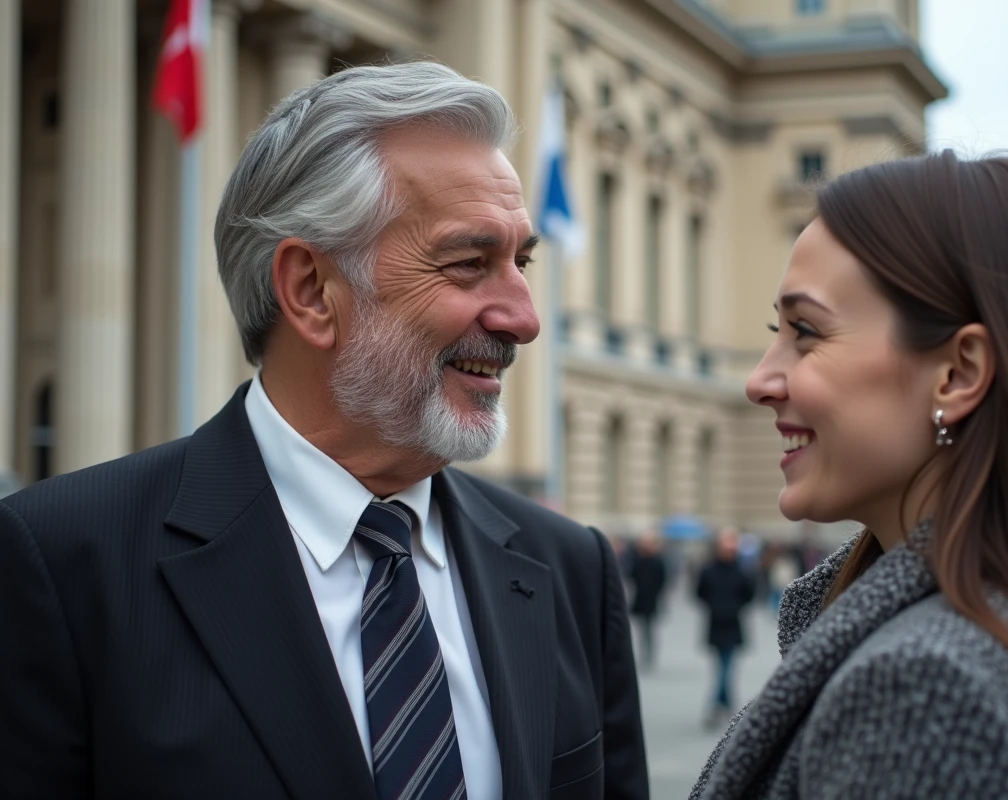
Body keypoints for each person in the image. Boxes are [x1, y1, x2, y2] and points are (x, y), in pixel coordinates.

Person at [0, 62, 649, 800]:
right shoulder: (59, 565)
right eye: (470, 263)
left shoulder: (568, 567)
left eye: (521, 262)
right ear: (311, 291)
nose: (525, 318)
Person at [690, 151, 1008, 799]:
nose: (759, 380)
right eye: (774, 333)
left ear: (959, 373)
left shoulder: (923, 691)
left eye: (806, 332)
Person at [695, 527, 757, 729]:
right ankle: (727, 706)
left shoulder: (742, 570)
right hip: (715, 624)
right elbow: (699, 593)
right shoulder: (708, 570)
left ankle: (716, 708)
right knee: (723, 668)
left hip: (732, 625)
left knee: (725, 668)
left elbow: (750, 594)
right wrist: (715, 605)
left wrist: (733, 607)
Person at [628, 530, 669, 667]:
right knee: (642, 629)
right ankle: (644, 653)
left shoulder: (657, 561)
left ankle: (649, 654)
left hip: (651, 599)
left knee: (649, 629)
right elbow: (632, 576)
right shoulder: (638, 560)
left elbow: (662, 580)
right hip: (641, 598)